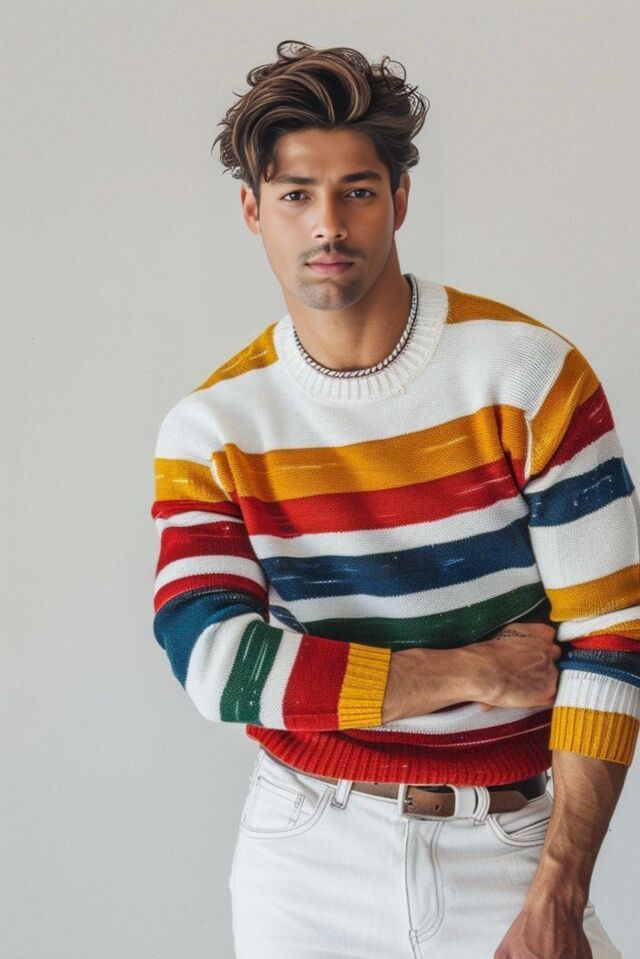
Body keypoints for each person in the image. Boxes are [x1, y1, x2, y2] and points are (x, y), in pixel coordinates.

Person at [150, 39, 639, 959]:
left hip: (510, 845)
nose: (328, 224)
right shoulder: (213, 428)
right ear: (253, 210)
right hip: (307, 853)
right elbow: (216, 664)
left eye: (358, 191)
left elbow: (613, 638)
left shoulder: (529, 377)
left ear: (400, 199)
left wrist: (562, 887)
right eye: (297, 195)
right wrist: (468, 671)